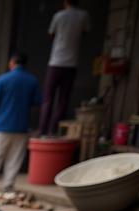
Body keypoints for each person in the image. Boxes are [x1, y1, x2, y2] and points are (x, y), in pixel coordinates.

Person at [0, 53, 42, 193]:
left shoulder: (3, 79)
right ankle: (8, 187)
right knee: (14, 159)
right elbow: (37, 101)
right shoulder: (32, 80)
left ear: (12, 62)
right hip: (21, 126)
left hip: (1, 126)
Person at [40, 0, 90, 135]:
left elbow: (51, 34)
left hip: (55, 61)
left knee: (48, 98)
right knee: (63, 100)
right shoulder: (83, 15)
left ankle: (42, 130)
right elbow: (85, 32)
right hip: (71, 63)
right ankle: (53, 130)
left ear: (65, 2)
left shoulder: (59, 16)